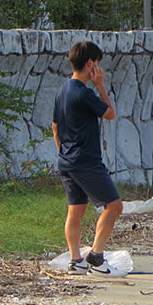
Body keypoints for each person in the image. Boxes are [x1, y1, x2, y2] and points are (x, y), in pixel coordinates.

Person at [52, 41, 124, 277]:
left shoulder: (63, 90)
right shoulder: (85, 93)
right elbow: (110, 113)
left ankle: (75, 260)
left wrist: (64, 152)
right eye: (98, 64)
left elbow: (55, 127)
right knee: (114, 205)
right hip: (86, 161)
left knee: (76, 210)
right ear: (91, 64)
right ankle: (96, 256)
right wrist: (101, 85)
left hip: (67, 161)